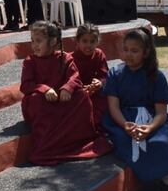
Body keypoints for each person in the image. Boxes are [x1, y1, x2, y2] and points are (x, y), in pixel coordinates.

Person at [20, 21, 112, 165]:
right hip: (43, 102)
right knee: (35, 99)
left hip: (61, 100)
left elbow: (75, 77)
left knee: (81, 96)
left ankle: (80, 139)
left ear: (53, 41)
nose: (34, 45)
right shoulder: (30, 61)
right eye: (33, 41)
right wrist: (44, 89)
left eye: (38, 41)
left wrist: (68, 87)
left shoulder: (65, 58)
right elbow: (26, 85)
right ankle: (48, 145)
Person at [102, 27, 168, 184]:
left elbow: (161, 113)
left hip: (151, 120)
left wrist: (149, 128)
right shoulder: (115, 74)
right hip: (124, 120)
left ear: (145, 53)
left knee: (161, 141)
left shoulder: (156, 76)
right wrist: (125, 125)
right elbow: (114, 107)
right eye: (126, 49)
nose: (128, 54)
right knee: (125, 140)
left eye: (134, 51)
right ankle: (153, 172)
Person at [69, 23, 109, 132]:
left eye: (92, 41)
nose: (88, 45)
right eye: (85, 41)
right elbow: (70, 79)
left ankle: (98, 128)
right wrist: (81, 90)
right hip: (77, 93)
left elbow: (105, 75)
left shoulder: (99, 55)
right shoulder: (71, 58)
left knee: (107, 100)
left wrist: (99, 83)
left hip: (95, 91)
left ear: (97, 42)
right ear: (77, 41)